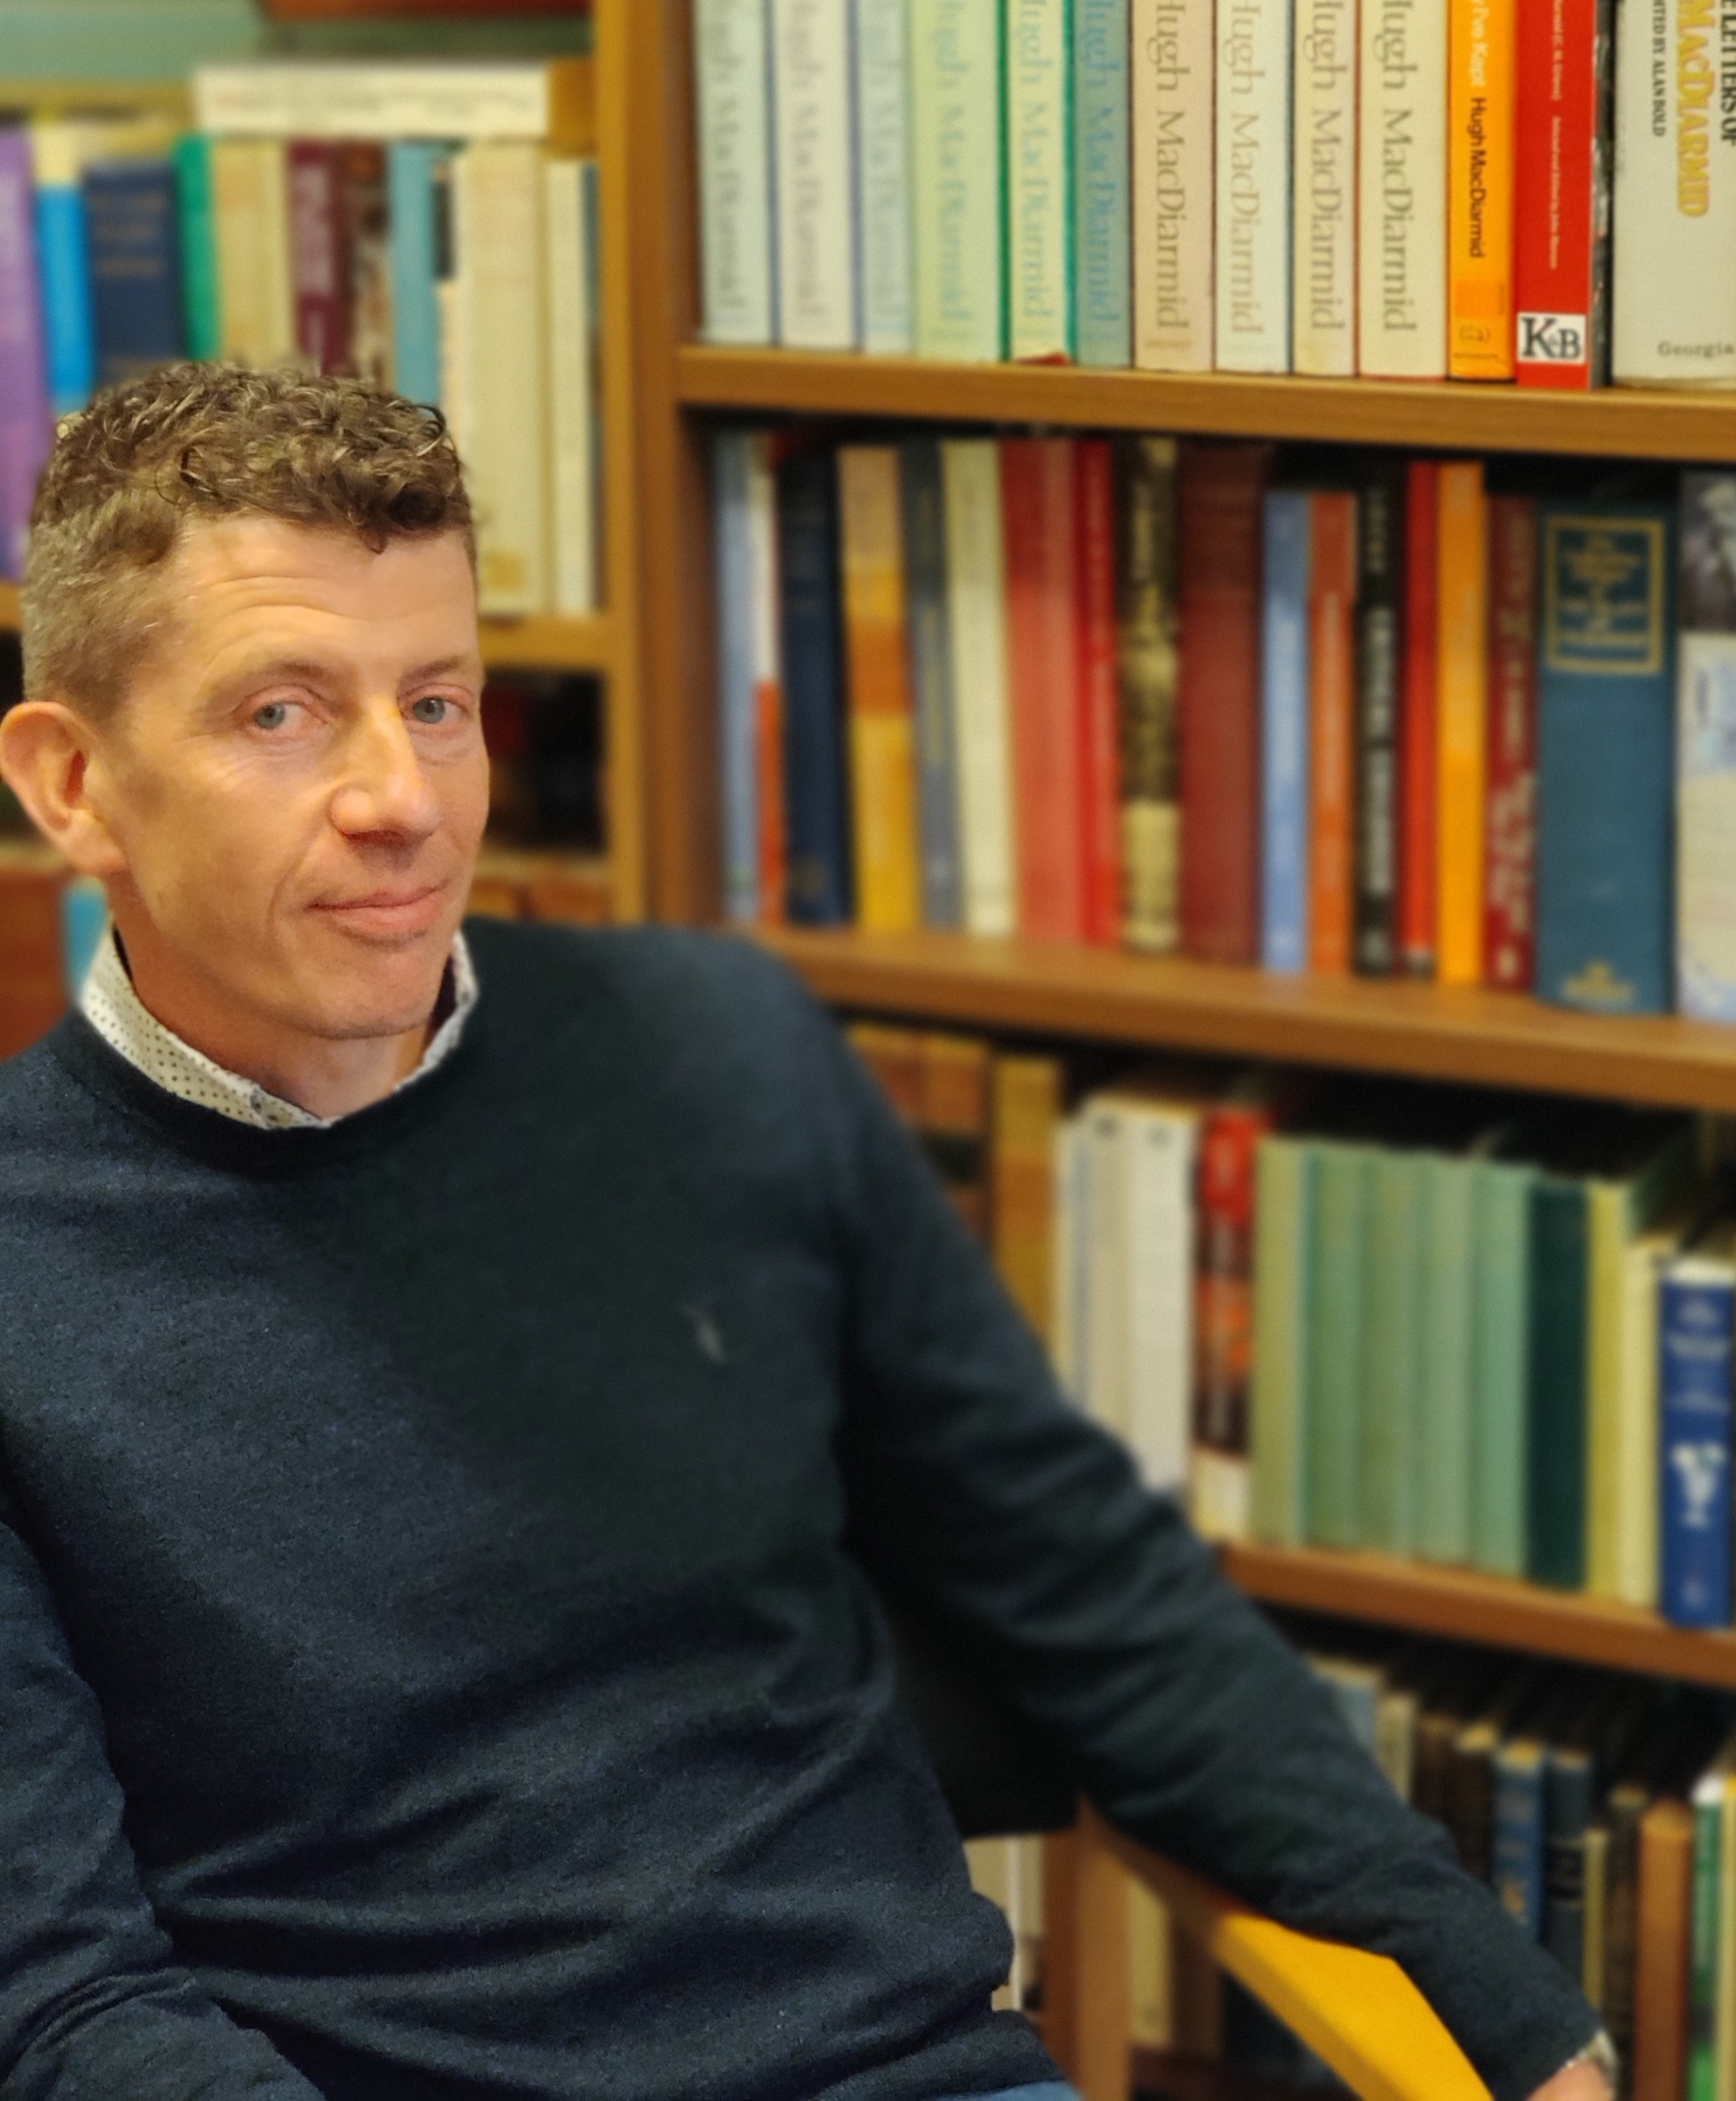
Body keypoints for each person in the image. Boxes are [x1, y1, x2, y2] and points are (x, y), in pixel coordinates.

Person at [0, 364, 1608, 2101]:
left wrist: (1507, 2013)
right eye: (281, 715)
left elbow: (1084, 1586)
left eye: (441, 701)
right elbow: (75, 2005)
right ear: (72, 780)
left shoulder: (717, 1054)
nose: (404, 797)